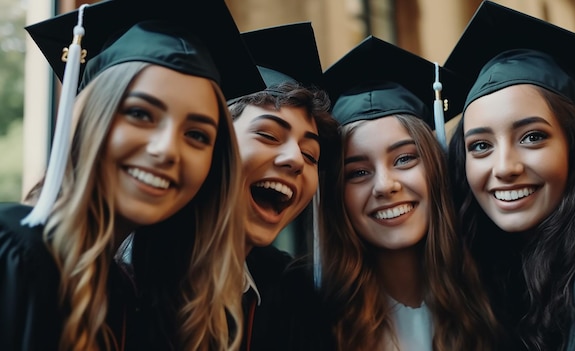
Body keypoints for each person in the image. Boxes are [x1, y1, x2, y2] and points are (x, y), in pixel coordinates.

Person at [0, 0, 265, 350]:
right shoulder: (16, 254)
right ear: (91, 119)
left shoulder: (140, 297)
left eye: (197, 135)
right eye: (140, 114)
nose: (167, 149)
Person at [445, 2, 575, 351]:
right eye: (480, 145)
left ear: (574, 147)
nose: (504, 167)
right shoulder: (505, 272)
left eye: (532, 137)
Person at [318, 35, 500, 351]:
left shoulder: (498, 297)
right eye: (358, 172)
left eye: (404, 158)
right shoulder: (311, 320)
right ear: (336, 193)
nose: (386, 185)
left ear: (436, 167)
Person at [227, 22, 338, 350]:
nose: (295, 159)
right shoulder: (127, 282)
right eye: (267, 135)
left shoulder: (293, 297)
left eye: (311, 154)